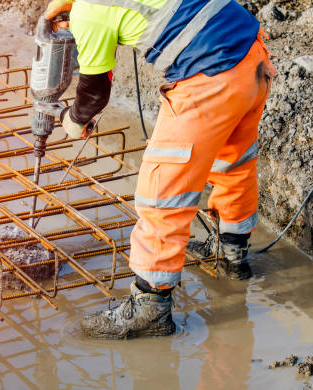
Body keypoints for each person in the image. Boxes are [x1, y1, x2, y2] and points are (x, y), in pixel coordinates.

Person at [45, 0, 276, 339]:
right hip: (253, 56)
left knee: (162, 192)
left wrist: (74, 121)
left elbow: (94, 93)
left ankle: (150, 308)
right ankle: (231, 255)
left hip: (208, 77)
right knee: (233, 162)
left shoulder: (89, 11)